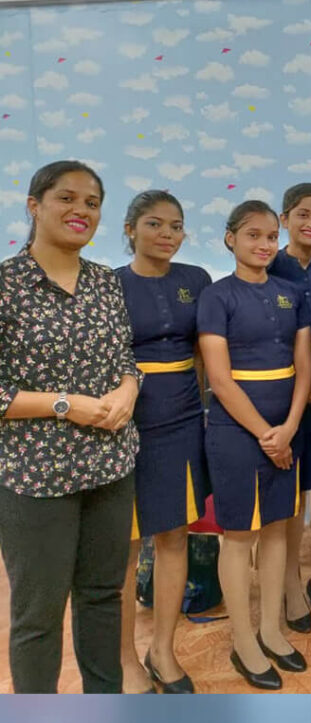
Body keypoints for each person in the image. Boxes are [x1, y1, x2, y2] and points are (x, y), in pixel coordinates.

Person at [0, 160, 141, 693]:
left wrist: (129, 388)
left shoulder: (105, 283)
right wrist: (65, 405)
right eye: (66, 198)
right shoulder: (7, 284)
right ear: (34, 205)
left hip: (111, 466)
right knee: (38, 616)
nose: (80, 210)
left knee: (103, 598)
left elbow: (125, 358)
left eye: (92, 202)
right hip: (36, 476)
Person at [198, 201, 311, 690]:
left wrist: (287, 427)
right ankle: (244, 641)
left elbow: (304, 367)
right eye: (252, 236)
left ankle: (271, 629)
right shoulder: (216, 296)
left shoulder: (291, 294)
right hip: (235, 432)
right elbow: (220, 380)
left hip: (288, 425)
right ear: (231, 239)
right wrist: (267, 436)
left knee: (278, 530)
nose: (264, 245)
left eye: (270, 236)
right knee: (239, 535)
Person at [116, 190, 211, 694]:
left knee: (175, 536)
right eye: (155, 225)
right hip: (126, 424)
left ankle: (164, 651)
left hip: (182, 420)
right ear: (130, 228)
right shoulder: (110, 285)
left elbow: (205, 353)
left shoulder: (195, 280)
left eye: (177, 226)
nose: (168, 235)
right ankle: (127, 662)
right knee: (126, 548)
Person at [268, 184, 311, 635]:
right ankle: (292, 585)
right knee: (290, 497)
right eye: (303, 215)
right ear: (284, 218)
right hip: (286, 399)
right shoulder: (269, 263)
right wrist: (301, 380)